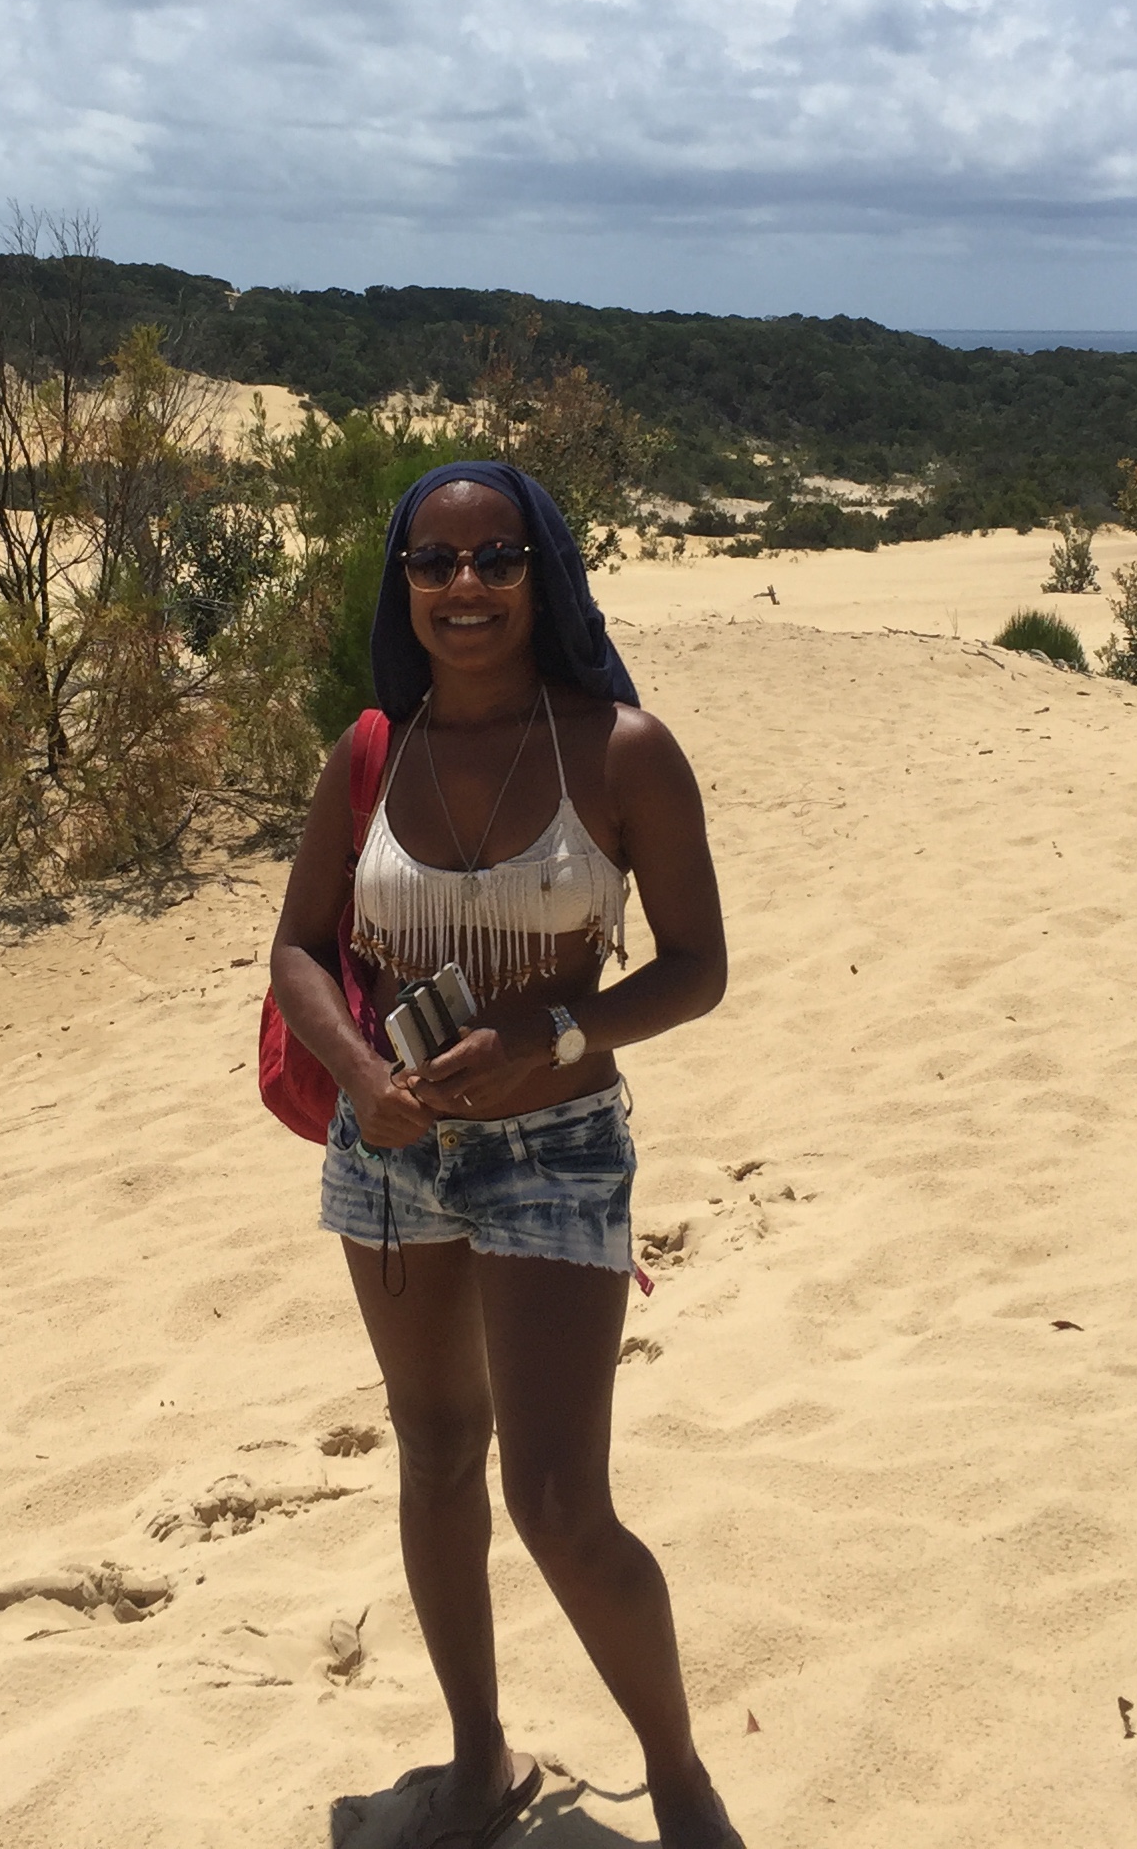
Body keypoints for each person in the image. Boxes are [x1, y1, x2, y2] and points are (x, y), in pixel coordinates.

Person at [269, 461, 744, 1849]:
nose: (464, 586)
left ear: (545, 575)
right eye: (433, 562)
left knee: (557, 1501)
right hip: (390, 1156)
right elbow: (298, 948)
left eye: (496, 558)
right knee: (433, 1454)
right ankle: (480, 1761)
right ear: (402, 585)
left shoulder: (622, 750)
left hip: (559, 1147)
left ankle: (681, 1783)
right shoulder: (371, 750)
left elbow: (699, 968)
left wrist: (557, 1033)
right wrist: (362, 1075)